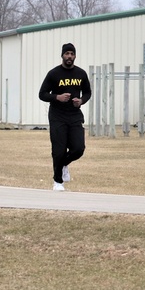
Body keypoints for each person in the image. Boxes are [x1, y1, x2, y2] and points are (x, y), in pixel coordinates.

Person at [38, 42, 92, 191]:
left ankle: (63, 164)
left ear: (75, 56)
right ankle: (57, 181)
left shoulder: (81, 74)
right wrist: (57, 97)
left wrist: (81, 101)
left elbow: (87, 92)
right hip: (57, 116)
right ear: (62, 55)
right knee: (58, 150)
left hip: (75, 116)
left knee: (78, 148)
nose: (69, 56)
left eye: (72, 54)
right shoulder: (54, 74)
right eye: (67, 53)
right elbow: (42, 94)